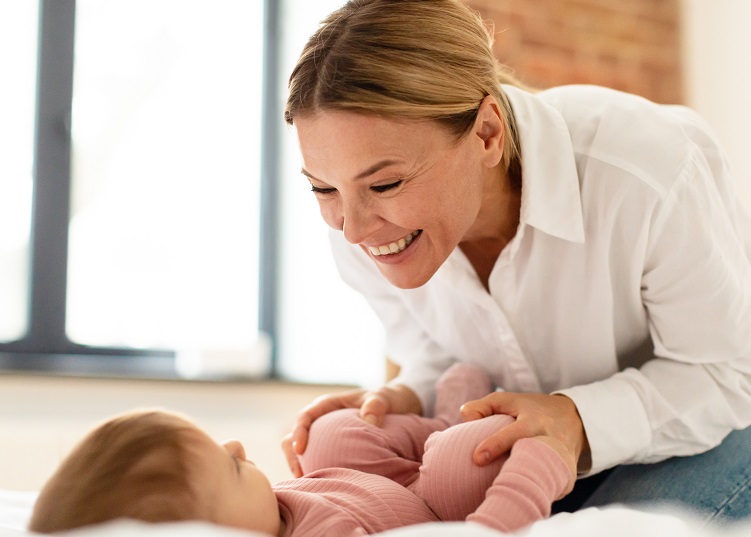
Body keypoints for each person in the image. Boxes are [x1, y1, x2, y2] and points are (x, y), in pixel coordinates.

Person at [281, 0, 751, 521]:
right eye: (323, 188)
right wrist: (405, 395)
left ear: (487, 132)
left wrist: (575, 419)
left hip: (718, 430)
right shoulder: (359, 225)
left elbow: (726, 373)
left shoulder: (647, 173)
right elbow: (442, 353)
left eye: (386, 183)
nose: (353, 228)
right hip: (534, 459)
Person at [28, 364, 575, 536]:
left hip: (382, 480)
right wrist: (527, 482)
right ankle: (486, 439)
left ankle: (435, 423)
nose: (236, 444)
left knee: (332, 435)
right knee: (473, 454)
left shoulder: (266, 511)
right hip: (432, 503)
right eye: (230, 467)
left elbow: (335, 480)